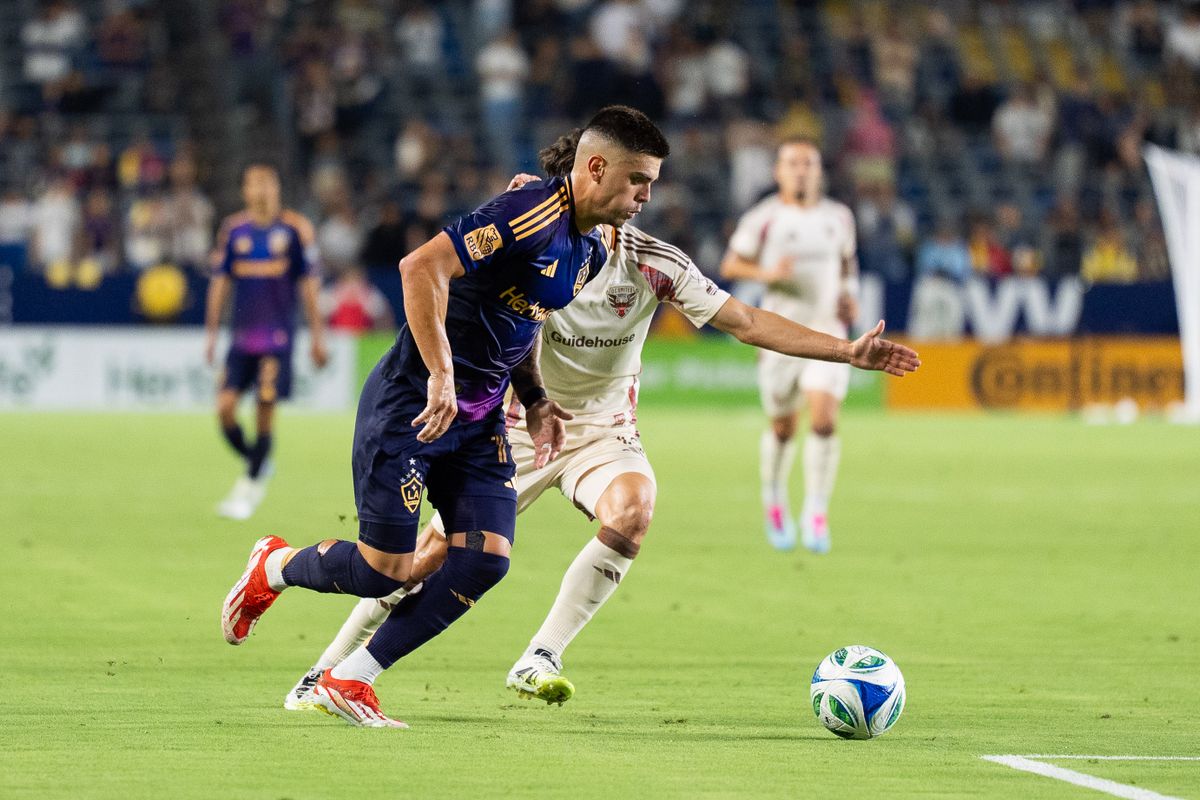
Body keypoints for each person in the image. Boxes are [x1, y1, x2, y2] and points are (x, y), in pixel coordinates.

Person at [281, 134, 919, 710]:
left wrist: (846, 350)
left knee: (634, 507)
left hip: (601, 428)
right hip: (517, 421)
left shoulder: (653, 263)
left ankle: (541, 655)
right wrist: (515, 395)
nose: (645, 198)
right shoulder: (537, 238)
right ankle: (326, 670)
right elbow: (468, 291)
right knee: (422, 559)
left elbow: (746, 321)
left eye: (650, 186)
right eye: (638, 183)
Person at [219, 106, 670, 728]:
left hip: (479, 421)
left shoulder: (588, 253)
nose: (648, 195)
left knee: (486, 557)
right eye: (639, 179)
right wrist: (440, 372)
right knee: (385, 574)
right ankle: (274, 565)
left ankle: (351, 678)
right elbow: (421, 267)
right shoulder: (529, 212)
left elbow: (519, 327)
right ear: (596, 167)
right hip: (413, 403)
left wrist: (536, 402)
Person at [719, 137, 859, 554]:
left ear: (819, 171)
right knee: (783, 426)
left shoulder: (840, 217)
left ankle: (816, 510)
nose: (801, 170)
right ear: (778, 171)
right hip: (779, 335)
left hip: (828, 331)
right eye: (793, 163)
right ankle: (775, 499)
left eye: (808, 164)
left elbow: (848, 262)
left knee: (824, 420)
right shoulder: (764, 218)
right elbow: (730, 264)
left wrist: (849, 292)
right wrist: (767, 273)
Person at [204, 163, 328, 520]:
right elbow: (220, 282)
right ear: (244, 190)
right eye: (253, 183)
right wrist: (211, 332)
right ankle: (257, 460)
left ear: (276, 188)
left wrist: (317, 336)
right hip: (241, 338)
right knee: (225, 408)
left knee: (264, 405)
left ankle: (249, 488)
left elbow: (308, 285)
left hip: (277, 337)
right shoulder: (233, 230)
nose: (260, 190)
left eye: (266, 183)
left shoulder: (294, 230)